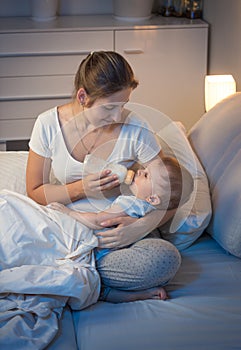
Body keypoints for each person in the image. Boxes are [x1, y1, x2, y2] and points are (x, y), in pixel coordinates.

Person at [26, 51, 183, 303]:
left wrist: (140, 227)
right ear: (83, 97)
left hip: (119, 238)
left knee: (164, 258)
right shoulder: (48, 124)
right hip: (69, 230)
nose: (117, 116)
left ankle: (68, 274)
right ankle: (83, 276)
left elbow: (167, 194)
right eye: (109, 107)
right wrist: (82, 188)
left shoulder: (137, 128)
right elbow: (34, 192)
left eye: (123, 105)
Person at [49, 156, 194, 300]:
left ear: (153, 199)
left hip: (102, 251)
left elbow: (99, 221)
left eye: (145, 175)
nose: (138, 172)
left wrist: (68, 212)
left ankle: (110, 290)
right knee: (101, 289)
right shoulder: (147, 208)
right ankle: (138, 294)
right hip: (118, 254)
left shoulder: (131, 203)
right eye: (143, 169)